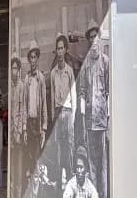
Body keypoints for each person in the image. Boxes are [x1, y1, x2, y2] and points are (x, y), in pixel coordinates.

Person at [78, 23, 109, 198]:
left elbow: (109, 92)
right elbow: (82, 93)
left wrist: (108, 118)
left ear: (99, 38)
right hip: (90, 123)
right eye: (91, 37)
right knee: (91, 163)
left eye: (96, 36)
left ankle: (104, 194)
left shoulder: (105, 62)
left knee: (103, 161)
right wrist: (84, 119)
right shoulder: (85, 65)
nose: (93, 40)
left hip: (102, 121)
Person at [50, 34, 77, 186]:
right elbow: (52, 97)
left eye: (62, 48)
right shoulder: (53, 73)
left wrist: (73, 116)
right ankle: (60, 180)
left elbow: (74, 96)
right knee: (59, 146)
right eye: (58, 49)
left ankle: (71, 177)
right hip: (58, 112)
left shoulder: (70, 71)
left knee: (69, 145)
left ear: (65, 50)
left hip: (68, 112)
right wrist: (53, 118)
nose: (59, 52)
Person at [24, 40, 48, 181]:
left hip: (38, 123)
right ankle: (30, 181)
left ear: (38, 59)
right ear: (29, 60)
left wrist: (44, 127)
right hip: (29, 122)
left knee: (37, 152)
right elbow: (24, 103)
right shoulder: (27, 79)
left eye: (35, 57)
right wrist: (24, 127)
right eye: (31, 57)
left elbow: (44, 103)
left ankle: (38, 181)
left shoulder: (41, 78)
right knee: (29, 152)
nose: (33, 60)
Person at [9, 53, 26, 198]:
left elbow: (22, 109)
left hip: (18, 131)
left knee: (19, 164)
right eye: (12, 68)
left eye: (16, 68)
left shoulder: (21, 86)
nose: (14, 71)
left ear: (19, 70)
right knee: (11, 165)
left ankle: (19, 193)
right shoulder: (9, 87)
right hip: (9, 130)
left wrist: (20, 131)